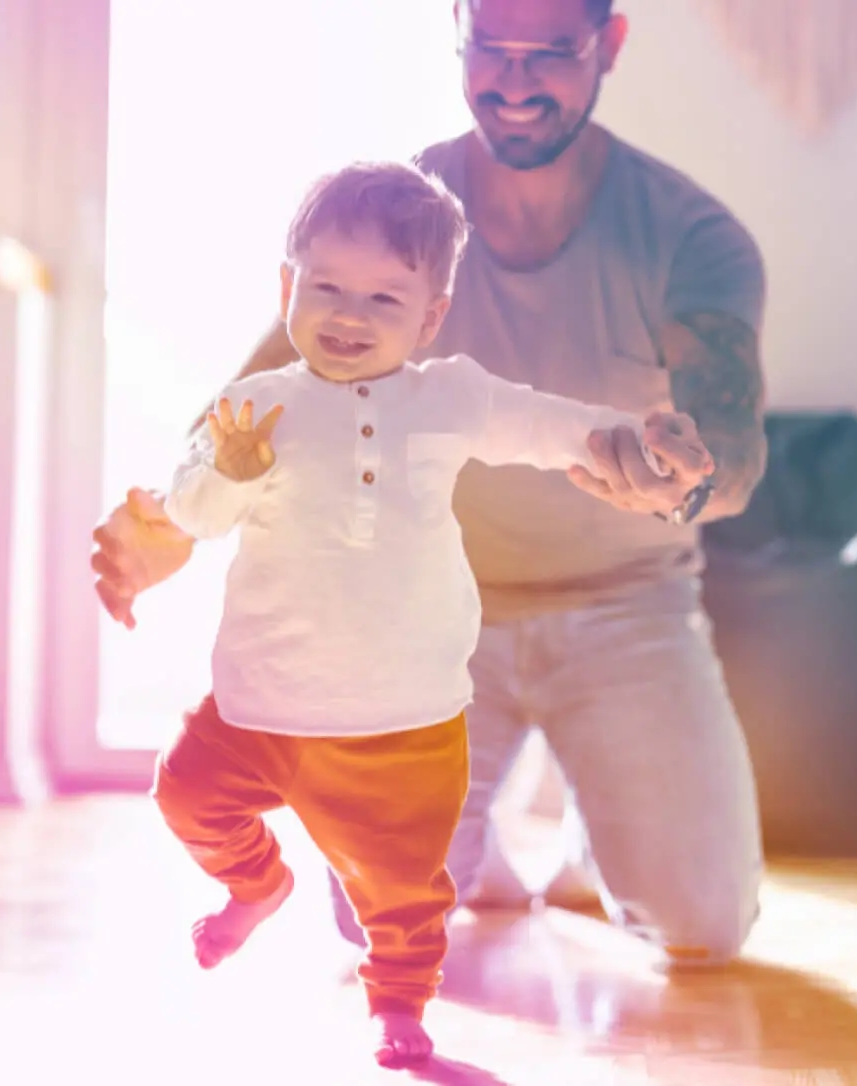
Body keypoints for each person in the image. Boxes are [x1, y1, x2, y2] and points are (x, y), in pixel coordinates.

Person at [96, 0, 770, 974]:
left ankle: (598, 831)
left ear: (609, 46)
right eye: (489, 48)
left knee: (702, 925)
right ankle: (482, 852)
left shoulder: (689, 235)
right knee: (361, 922)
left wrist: (684, 478)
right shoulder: (395, 221)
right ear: (457, 36)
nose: (513, 81)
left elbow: (735, 452)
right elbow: (254, 408)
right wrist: (176, 519)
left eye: (549, 55)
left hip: (630, 607)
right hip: (414, 624)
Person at [150, 160, 710, 1068]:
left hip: (404, 716)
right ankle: (255, 886)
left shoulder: (448, 398)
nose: (349, 316)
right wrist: (229, 471)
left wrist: (631, 438)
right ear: (287, 287)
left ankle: (399, 1008)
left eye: (384, 299)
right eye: (326, 287)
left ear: (431, 317)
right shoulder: (256, 408)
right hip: (259, 703)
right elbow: (191, 515)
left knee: (405, 892)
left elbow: (552, 426)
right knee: (186, 794)